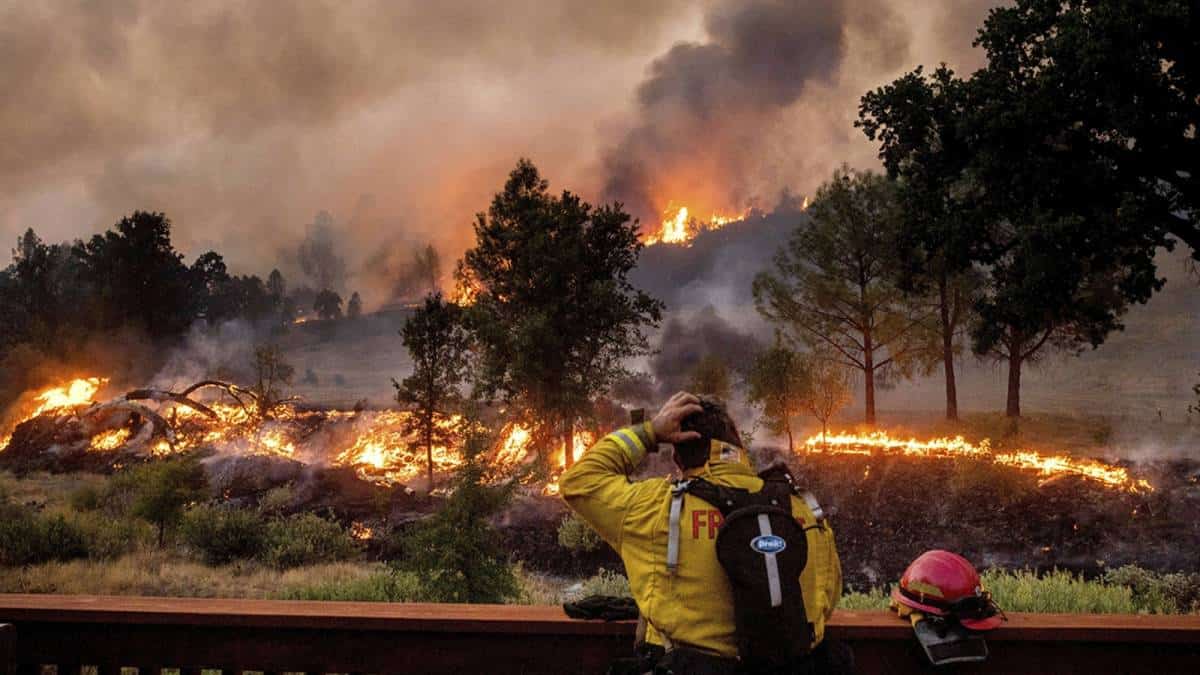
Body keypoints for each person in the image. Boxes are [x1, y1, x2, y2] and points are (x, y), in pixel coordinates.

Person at [560, 392, 848, 674]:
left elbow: (579, 481)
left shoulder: (655, 507)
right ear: (739, 449)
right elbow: (828, 598)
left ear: (677, 457)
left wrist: (650, 432)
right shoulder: (804, 509)